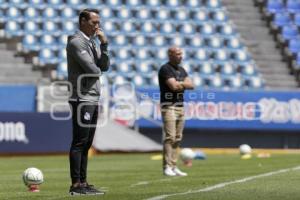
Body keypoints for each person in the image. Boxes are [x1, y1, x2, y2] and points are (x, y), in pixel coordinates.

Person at [66, 9, 110, 195]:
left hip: (92, 96)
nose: (97, 26)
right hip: (81, 96)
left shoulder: (92, 43)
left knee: (87, 142)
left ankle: (83, 182)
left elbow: (105, 67)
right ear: (82, 21)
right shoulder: (76, 42)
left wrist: (105, 44)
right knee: (79, 141)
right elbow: (94, 69)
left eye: (98, 22)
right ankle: (76, 184)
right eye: (93, 22)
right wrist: (98, 65)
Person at [158, 46, 194, 176]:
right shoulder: (165, 69)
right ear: (170, 55)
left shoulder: (182, 69)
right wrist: (183, 83)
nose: (181, 56)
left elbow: (192, 85)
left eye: (181, 54)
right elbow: (173, 86)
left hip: (180, 106)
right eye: (178, 54)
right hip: (168, 106)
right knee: (170, 137)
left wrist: (181, 84)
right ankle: (166, 166)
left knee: (178, 138)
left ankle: (173, 166)